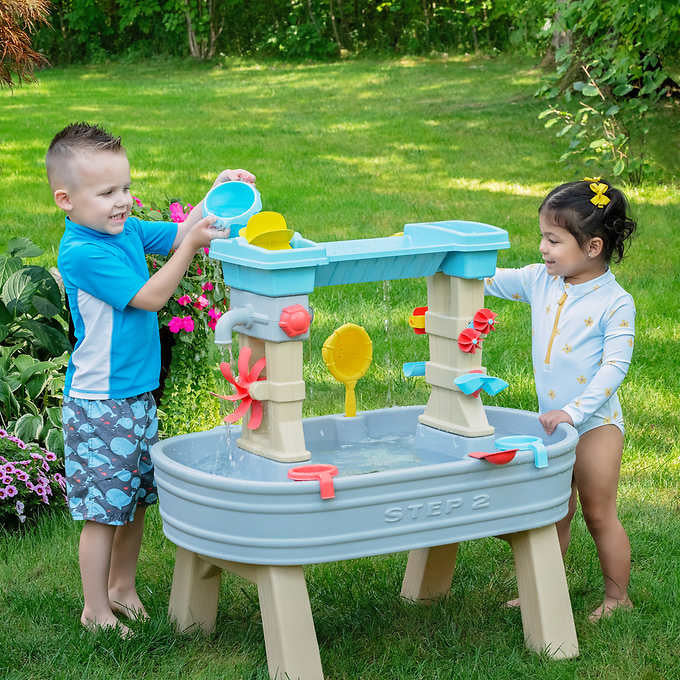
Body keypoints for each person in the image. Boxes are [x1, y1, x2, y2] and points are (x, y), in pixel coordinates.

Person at [47, 122, 255, 635]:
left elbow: (183, 231)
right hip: (100, 403)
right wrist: (190, 249)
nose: (122, 201)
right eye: (106, 193)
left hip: (136, 396)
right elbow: (151, 297)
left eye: (125, 188)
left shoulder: (125, 230)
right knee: (103, 512)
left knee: (135, 499)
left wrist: (214, 196)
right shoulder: (83, 252)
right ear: (66, 200)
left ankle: (122, 586)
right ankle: (94, 608)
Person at [485, 178, 637, 622]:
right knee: (554, 512)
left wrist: (574, 412)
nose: (542, 248)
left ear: (592, 246)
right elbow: (489, 279)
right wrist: (451, 262)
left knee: (598, 513)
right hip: (553, 425)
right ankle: (543, 589)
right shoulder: (541, 280)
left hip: (595, 426)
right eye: (543, 237)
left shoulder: (615, 303)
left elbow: (614, 369)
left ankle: (617, 598)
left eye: (553, 240)